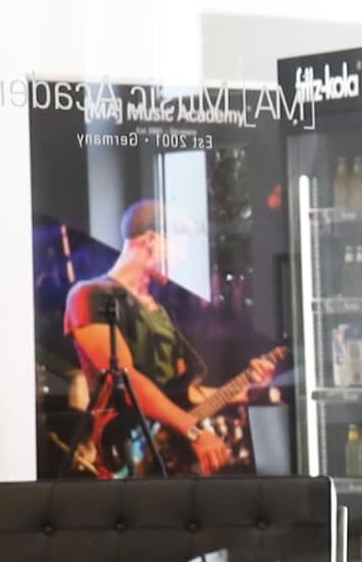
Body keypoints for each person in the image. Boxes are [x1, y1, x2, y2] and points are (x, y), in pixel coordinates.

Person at [65, 200, 279, 476]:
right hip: (126, 454)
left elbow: (184, 394)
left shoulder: (162, 313)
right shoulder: (89, 295)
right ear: (151, 240)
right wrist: (193, 433)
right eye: (177, 248)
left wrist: (251, 388)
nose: (180, 260)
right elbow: (127, 381)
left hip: (169, 460)